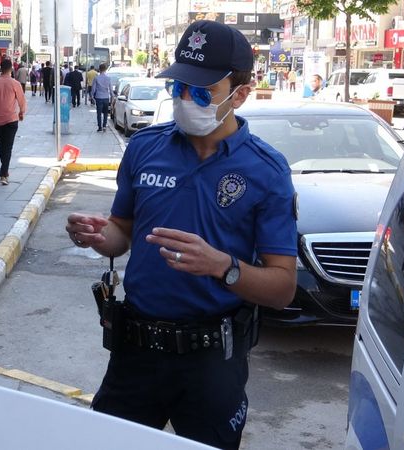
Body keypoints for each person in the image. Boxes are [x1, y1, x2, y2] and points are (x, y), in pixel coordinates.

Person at [66, 20, 297, 448]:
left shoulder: (266, 170)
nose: (186, 100)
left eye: (203, 92)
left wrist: (223, 267)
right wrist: (98, 236)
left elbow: (283, 288)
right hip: (136, 352)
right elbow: (122, 232)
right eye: (179, 88)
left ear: (240, 94)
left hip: (213, 358)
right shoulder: (144, 148)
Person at [0, 58, 26, 186]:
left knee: (2, 146)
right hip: (11, 120)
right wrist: (21, 113)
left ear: (1, 68)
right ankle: (4, 174)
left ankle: (4, 172)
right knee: (7, 147)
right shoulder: (15, 84)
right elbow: (21, 100)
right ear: (11, 69)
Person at [91, 63, 113, 132]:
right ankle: (104, 126)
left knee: (99, 113)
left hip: (99, 97)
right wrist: (112, 96)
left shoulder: (96, 78)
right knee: (106, 113)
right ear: (105, 69)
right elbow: (111, 89)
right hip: (106, 97)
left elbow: (93, 88)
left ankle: (99, 127)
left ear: (99, 69)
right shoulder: (108, 78)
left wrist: (92, 96)